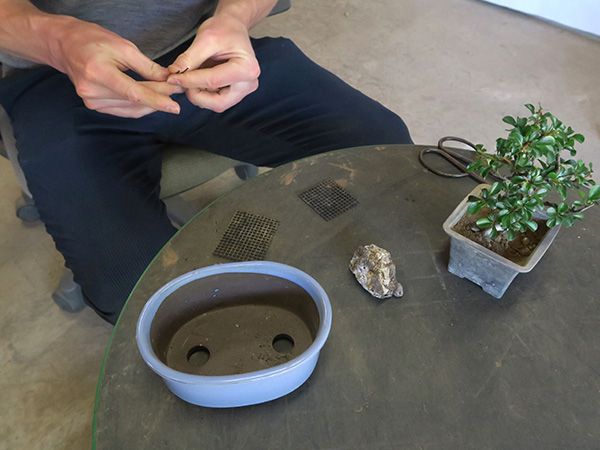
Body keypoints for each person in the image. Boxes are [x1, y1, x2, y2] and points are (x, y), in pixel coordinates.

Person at [0, 0, 412, 323]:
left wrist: (235, 16)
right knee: (136, 294)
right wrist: (60, 41)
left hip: (201, 50)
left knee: (385, 154)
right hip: (55, 76)